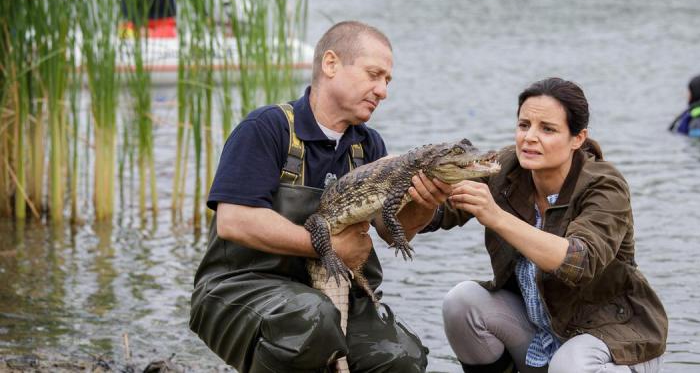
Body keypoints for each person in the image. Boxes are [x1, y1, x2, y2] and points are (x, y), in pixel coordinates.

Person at [190, 21, 449, 373]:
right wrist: (328, 247)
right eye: (374, 74)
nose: (383, 90)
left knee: (401, 356)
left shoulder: (368, 146)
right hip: (242, 289)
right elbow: (235, 221)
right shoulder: (267, 128)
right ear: (330, 64)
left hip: (331, 295)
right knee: (312, 318)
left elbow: (390, 232)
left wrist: (427, 202)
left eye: (387, 81)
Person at [428, 78, 668, 372]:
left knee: (569, 366)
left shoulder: (605, 186)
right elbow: (434, 216)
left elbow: (580, 261)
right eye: (523, 125)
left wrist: (497, 217)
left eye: (548, 129)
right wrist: (412, 190)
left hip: (613, 338)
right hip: (543, 334)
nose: (529, 137)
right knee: (462, 303)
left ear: (578, 138)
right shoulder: (506, 167)